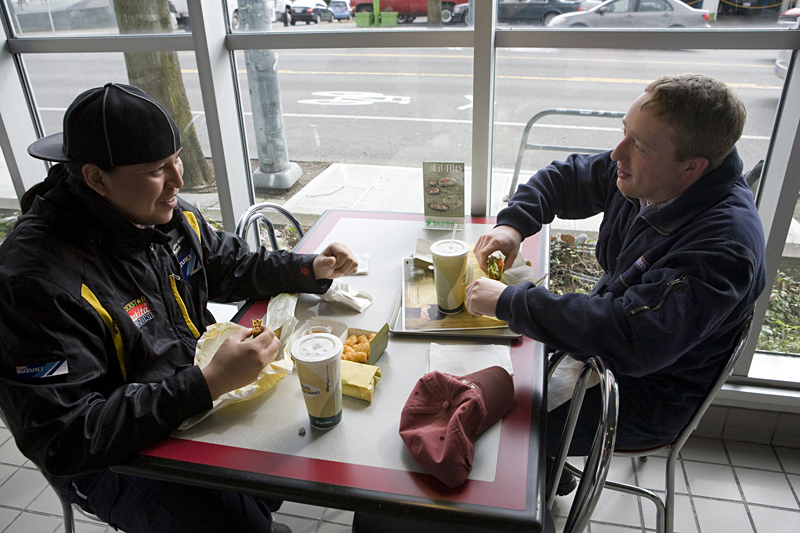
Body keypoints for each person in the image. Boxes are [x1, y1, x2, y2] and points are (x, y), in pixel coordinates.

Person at [0, 83, 358, 533]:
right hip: (112, 460)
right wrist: (206, 383)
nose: (178, 180)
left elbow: (230, 264)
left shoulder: (159, 211)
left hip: (193, 399)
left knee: (292, 459)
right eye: (156, 170)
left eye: (177, 160)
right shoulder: (34, 282)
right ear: (95, 178)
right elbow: (66, 436)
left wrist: (311, 269)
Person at [466, 73, 767, 495]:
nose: (617, 153)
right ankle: (551, 466)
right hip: (608, 340)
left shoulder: (723, 248)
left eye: (638, 146)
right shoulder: (652, 175)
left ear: (692, 168)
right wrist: (514, 226)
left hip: (647, 391)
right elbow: (566, 178)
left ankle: (533, 484)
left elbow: (632, 337)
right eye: (624, 133)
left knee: (500, 422)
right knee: (492, 367)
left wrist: (513, 303)